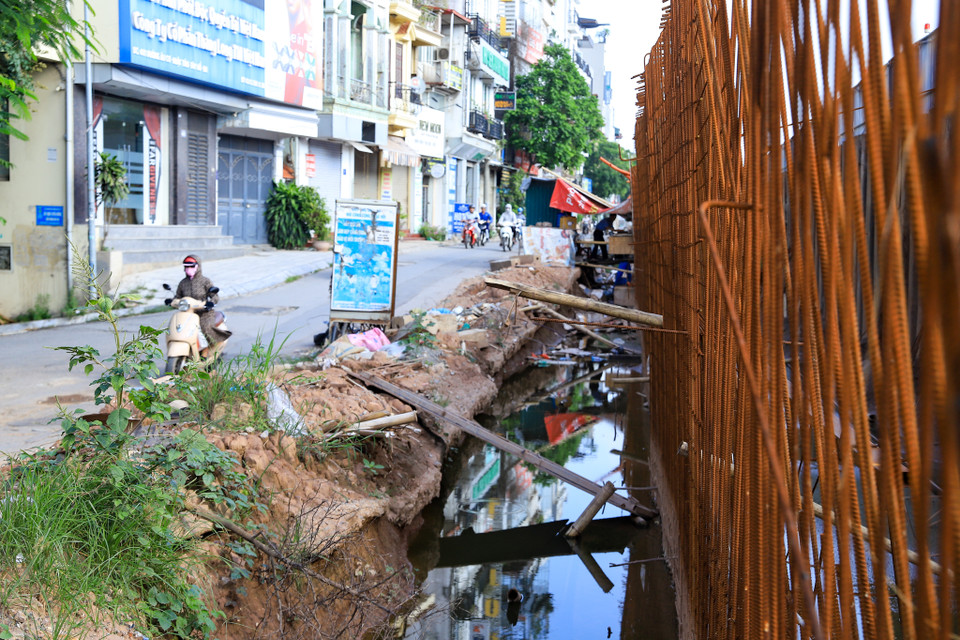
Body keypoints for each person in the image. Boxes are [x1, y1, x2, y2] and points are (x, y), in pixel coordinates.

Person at [166, 255, 231, 356]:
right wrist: (172, 301)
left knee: (205, 328)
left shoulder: (205, 281)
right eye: (187, 267)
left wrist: (211, 303)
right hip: (187, 312)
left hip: (204, 312)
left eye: (192, 266)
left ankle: (207, 350)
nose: (189, 269)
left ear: (198, 266)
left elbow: (215, 296)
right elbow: (178, 296)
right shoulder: (183, 283)